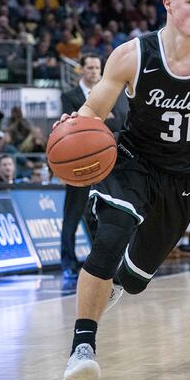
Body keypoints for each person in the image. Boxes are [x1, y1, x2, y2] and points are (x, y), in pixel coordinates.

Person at [60, 0, 190, 380]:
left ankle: (119, 280)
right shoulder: (132, 55)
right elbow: (93, 111)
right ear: (168, 3)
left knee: (136, 280)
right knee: (111, 236)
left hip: (183, 179)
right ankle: (82, 347)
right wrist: (77, 125)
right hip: (132, 160)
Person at [58, 53, 129, 280]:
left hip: (105, 165)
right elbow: (72, 125)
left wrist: (95, 120)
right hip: (77, 163)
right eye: (89, 67)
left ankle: (98, 264)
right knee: (72, 216)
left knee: (99, 216)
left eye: (97, 67)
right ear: (81, 70)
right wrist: (98, 118)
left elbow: (119, 123)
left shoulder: (112, 94)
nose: (94, 71)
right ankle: (67, 263)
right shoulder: (69, 96)